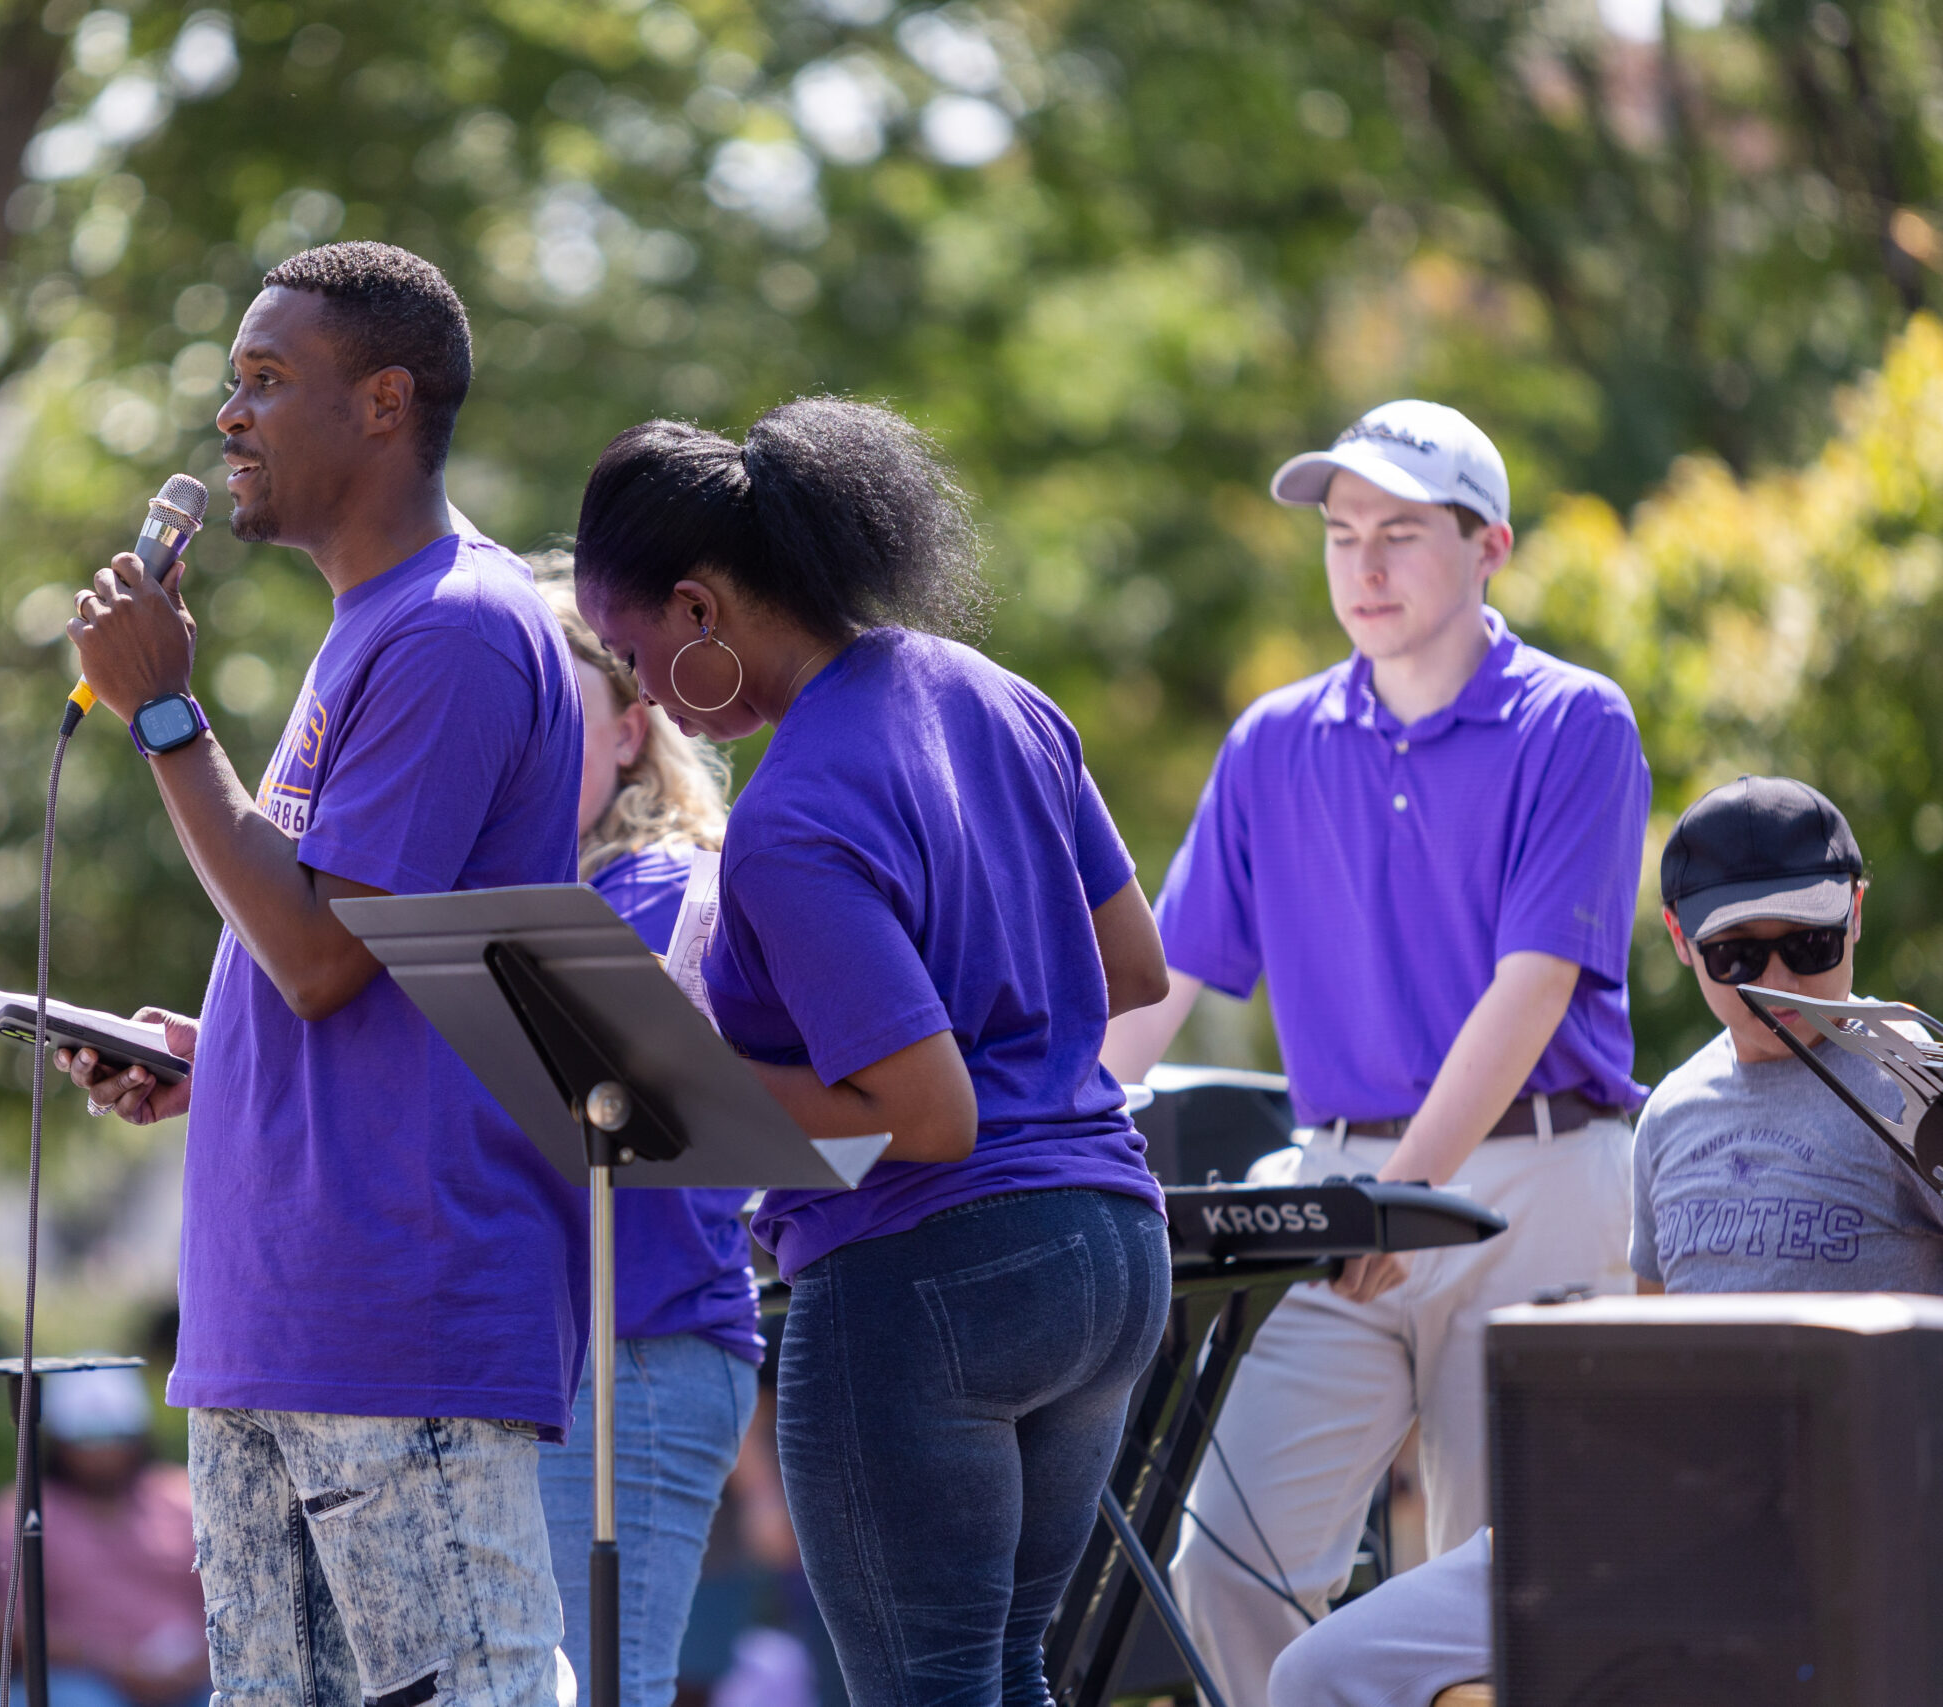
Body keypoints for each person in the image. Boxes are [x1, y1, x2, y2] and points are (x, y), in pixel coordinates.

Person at [571, 397, 1176, 1707]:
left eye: (630, 649)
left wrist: (667, 1068)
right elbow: (1135, 969)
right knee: (1003, 1673)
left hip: (932, 1273)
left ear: (697, 608)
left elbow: (932, 1116)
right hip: (1111, 1254)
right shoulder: (1001, 694)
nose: (643, 691)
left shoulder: (791, 815)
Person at [57, 241, 585, 1707]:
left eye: (267, 377)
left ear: (384, 402)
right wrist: (206, 1053)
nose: (229, 413)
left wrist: (166, 715)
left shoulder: (455, 628)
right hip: (269, 1328)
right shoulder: (367, 632)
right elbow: (334, 962)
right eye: (231, 381)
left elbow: (316, 957)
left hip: (397, 1325)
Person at [1098, 400, 1651, 1704]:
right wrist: (1040, 1130)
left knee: (1502, 1591)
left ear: (1489, 545)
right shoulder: (1272, 741)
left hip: (1535, 1184)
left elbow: (1533, 987)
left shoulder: (1575, 722)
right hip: (1335, 1188)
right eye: (1342, 534)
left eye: (1400, 531)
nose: (1364, 563)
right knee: (1226, 1565)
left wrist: (1401, 1191)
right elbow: (1158, 983)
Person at [1268, 774, 1936, 1706]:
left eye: (1811, 944)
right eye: (1738, 954)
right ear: (1680, 940)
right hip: (1667, 1511)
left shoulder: (1916, 1087)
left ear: (1855, 914)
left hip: (1858, 1510)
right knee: (1318, 1671)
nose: (1779, 981)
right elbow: (1648, 1349)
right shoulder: (1671, 1112)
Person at [534, 575, 763, 1707]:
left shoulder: (662, 889)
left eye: (554, 716)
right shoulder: (552, 889)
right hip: (581, 1358)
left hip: (636, 1354)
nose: (525, 750)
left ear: (632, 733)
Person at [0, 1369, 208, 1707]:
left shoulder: (184, 1498)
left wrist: (201, 1660)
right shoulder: (22, 1511)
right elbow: (13, 1625)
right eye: (87, 1438)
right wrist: (113, 1664)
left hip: (193, 1674)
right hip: (80, 1679)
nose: (104, 1452)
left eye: (118, 1436)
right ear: (58, 1442)